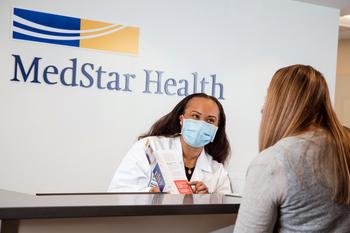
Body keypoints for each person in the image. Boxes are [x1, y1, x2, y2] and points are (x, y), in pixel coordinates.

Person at [234, 65, 350, 232]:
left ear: (279, 104)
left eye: (268, 97)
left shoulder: (272, 162)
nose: (263, 108)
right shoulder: (345, 146)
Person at [108, 93, 232, 194]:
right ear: (182, 120)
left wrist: (207, 199)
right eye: (195, 116)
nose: (201, 124)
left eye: (210, 120)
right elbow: (117, 193)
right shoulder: (149, 147)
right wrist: (150, 194)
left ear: (216, 128)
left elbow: (226, 211)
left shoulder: (217, 171)